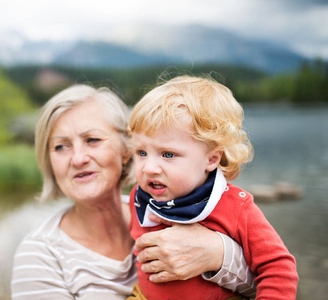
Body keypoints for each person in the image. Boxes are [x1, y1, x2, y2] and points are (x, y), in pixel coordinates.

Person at [11, 84, 257, 299]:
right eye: (60, 147)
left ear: (128, 148)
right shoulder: (39, 255)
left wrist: (219, 255)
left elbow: (265, 286)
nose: (77, 159)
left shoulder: (167, 210)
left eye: (92, 140)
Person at [128, 75, 299, 300]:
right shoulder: (138, 197)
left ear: (211, 159)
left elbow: (279, 269)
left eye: (168, 154)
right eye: (141, 152)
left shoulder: (236, 206)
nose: (149, 168)